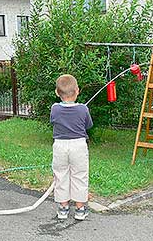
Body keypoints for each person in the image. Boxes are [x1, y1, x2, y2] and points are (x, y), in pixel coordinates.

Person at [50, 74, 93, 220]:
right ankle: (80, 209)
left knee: (61, 175)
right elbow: (89, 125)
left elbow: (53, 121)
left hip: (60, 146)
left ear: (57, 92)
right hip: (78, 146)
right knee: (79, 175)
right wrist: (81, 111)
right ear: (77, 91)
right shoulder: (83, 109)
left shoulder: (54, 108)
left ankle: (63, 208)